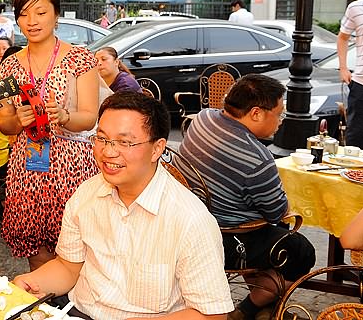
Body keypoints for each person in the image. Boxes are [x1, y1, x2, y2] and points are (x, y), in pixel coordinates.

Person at [13, 92, 233, 320]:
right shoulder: (87, 193)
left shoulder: (191, 220)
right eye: (102, 138)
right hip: (78, 312)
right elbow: (69, 267)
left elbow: (212, 315)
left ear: (157, 149)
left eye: (125, 142)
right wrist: (33, 282)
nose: (108, 152)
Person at [179, 74, 315, 320]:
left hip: (189, 219)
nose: (281, 121)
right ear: (256, 113)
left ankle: (264, 304)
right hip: (224, 239)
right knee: (300, 250)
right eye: (279, 113)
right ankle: (246, 311)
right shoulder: (258, 159)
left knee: (273, 233)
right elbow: (276, 212)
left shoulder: (204, 118)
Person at [0, 0, 99, 270]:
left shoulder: (80, 59)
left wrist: (65, 117)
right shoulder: (10, 65)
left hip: (71, 167)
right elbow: (3, 122)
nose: (32, 21)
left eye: (40, 12)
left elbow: (90, 116)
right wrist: (17, 120)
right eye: (24, 14)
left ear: (56, 14)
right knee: (35, 248)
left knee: (74, 252)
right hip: (27, 165)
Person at [339, 0, 363, 147]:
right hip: (361, 82)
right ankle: (352, 170)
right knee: (355, 135)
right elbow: (342, 37)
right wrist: (343, 67)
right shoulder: (356, 7)